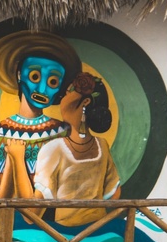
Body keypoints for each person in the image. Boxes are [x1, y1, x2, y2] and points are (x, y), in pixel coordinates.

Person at [0, 30, 80, 200]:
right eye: (35, 76)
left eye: (52, 81)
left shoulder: (66, 134)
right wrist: (13, 160)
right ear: (18, 74)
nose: (42, 90)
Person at [33, 71, 121, 227]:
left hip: (67, 234)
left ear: (85, 101)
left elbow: (34, 212)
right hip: (98, 230)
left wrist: (16, 161)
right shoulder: (102, 145)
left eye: (68, 93)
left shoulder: (53, 149)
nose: (62, 101)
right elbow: (114, 193)